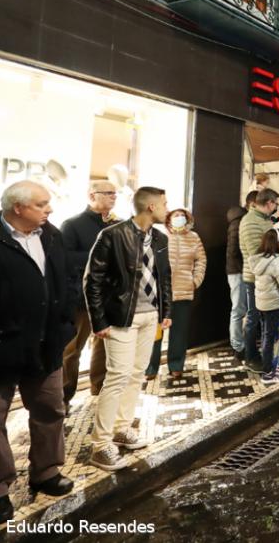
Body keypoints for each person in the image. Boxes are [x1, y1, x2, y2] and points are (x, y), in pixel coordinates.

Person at [0, 181, 77, 525]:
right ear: (17, 208)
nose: (49, 209)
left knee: (51, 409)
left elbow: (66, 281)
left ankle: (46, 471)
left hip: (46, 347)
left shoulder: (51, 236)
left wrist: (66, 324)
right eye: (41, 204)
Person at [85, 186, 173, 471]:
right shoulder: (112, 235)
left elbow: (164, 277)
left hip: (150, 317)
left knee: (137, 374)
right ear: (150, 207)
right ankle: (101, 445)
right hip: (122, 316)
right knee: (117, 376)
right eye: (164, 203)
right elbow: (93, 280)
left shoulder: (159, 237)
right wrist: (98, 321)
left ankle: (122, 428)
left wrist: (165, 311)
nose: (167, 208)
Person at [59, 180, 119, 407]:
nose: (114, 197)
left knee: (104, 347)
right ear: (92, 195)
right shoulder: (72, 225)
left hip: (109, 297)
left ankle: (100, 389)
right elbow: (66, 258)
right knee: (73, 349)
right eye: (109, 193)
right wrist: (101, 258)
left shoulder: (118, 224)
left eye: (115, 193)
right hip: (81, 299)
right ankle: (64, 396)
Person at [146, 208, 206, 380]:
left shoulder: (194, 237)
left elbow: (201, 260)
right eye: (176, 215)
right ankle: (150, 368)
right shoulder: (159, 235)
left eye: (182, 216)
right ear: (168, 219)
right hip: (160, 292)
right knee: (155, 332)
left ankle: (176, 365)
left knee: (179, 332)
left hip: (184, 291)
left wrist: (195, 281)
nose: (179, 218)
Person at [239, 189, 279, 370]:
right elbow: (256, 252)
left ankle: (267, 353)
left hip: (268, 276)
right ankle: (250, 356)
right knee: (253, 317)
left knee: (266, 318)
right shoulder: (250, 221)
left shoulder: (265, 220)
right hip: (255, 278)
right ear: (269, 203)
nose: (276, 207)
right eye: (275, 203)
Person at [253, 229, 279, 384]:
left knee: (266, 335)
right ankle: (268, 372)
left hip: (262, 303)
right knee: (270, 337)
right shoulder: (276, 261)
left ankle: (268, 366)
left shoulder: (260, 258)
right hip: (274, 303)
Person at [226, 193, 253, 360]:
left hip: (244, 270)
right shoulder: (239, 222)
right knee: (238, 309)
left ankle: (242, 343)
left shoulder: (245, 221)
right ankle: (237, 345)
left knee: (245, 309)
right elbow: (234, 251)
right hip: (238, 271)